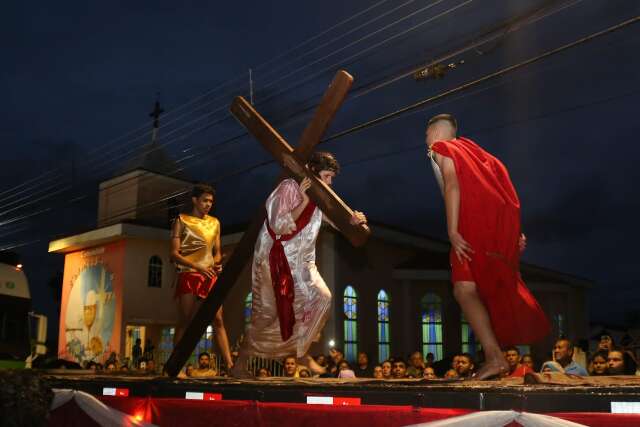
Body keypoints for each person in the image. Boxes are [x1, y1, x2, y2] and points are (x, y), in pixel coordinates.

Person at [425, 114, 550, 380]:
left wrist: (452, 230)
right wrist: (512, 233)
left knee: (462, 289)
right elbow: (502, 191)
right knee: (470, 288)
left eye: (426, 135)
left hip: (469, 227)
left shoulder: (440, 148)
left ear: (435, 133)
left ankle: (495, 357)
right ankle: (495, 355)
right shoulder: (480, 154)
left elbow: (452, 185)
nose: (425, 141)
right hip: (493, 229)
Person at [233, 152, 367, 377]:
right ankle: (240, 364)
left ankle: (301, 352)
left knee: (322, 298)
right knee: (265, 314)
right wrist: (304, 201)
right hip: (275, 260)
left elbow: (333, 219)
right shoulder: (289, 188)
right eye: (327, 176)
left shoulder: (322, 197)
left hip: (302, 264)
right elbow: (278, 226)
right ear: (313, 172)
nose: (330, 182)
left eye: (331, 177)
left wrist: (352, 220)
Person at [171, 183, 234, 370]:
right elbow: (173, 253)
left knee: (219, 320)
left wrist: (217, 264)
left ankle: (230, 366)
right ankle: (176, 366)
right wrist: (197, 266)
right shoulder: (181, 221)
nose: (208, 204)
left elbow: (217, 252)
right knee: (186, 320)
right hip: (189, 274)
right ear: (194, 200)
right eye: (205, 200)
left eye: (211, 201)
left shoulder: (215, 223)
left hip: (209, 275)